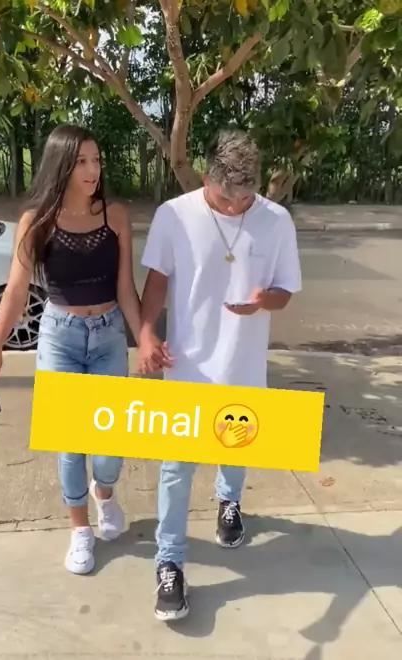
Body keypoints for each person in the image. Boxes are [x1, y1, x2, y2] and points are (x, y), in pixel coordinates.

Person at [137, 128, 302, 621]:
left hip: (243, 365)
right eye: (226, 198)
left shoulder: (276, 221)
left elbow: (285, 292)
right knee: (176, 468)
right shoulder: (174, 215)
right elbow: (157, 282)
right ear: (207, 177)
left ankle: (229, 502)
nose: (234, 207)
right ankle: (169, 562)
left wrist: (264, 301)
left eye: (244, 199)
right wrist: (145, 334)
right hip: (186, 367)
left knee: (236, 445)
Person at [0, 124, 142, 576]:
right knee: (70, 442)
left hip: (108, 335)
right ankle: (80, 530)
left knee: (111, 441)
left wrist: (144, 336)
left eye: (97, 160)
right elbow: (16, 290)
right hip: (59, 337)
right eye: (82, 161)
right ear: (62, 165)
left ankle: (104, 492)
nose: (93, 170)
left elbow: (125, 287)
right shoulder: (37, 221)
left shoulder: (115, 216)